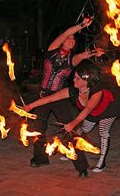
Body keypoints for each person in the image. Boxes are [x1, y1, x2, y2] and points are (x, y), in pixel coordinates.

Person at [25, 17, 104, 170]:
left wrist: (96, 52)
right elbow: (67, 32)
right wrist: (81, 25)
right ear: (62, 41)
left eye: (74, 39)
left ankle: (81, 166)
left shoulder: (72, 59)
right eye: (69, 38)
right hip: (43, 94)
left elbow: (83, 56)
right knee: (39, 128)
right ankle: (40, 158)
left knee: (70, 129)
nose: (72, 40)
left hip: (59, 96)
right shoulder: (51, 51)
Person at [23, 60, 119, 174]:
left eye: (78, 78)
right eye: (74, 77)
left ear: (86, 80)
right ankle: (71, 152)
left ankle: (102, 162)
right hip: (91, 113)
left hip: (107, 111)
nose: (74, 80)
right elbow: (50, 98)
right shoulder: (72, 91)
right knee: (82, 130)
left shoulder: (96, 91)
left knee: (103, 131)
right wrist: (30, 106)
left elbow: (88, 109)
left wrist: (73, 123)